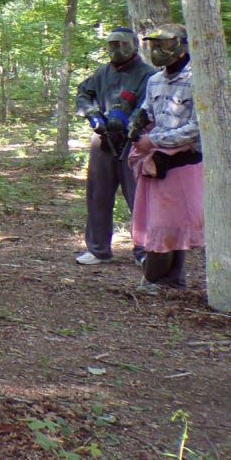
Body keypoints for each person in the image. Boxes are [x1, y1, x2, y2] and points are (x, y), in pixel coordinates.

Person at [129, 24, 204, 292]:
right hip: (156, 163)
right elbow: (147, 111)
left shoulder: (198, 79)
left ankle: (154, 280)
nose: (158, 50)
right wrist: (136, 124)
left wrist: (155, 141)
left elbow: (198, 127)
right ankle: (171, 281)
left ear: (182, 45)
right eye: (155, 45)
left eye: (165, 44)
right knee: (159, 222)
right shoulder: (155, 80)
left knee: (169, 224)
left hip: (184, 162)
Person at [73, 27, 153, 266]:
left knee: (139, 196)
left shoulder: (148, 74)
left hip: (135, 142)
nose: (117, 49)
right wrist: (92, 113)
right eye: (112, 45)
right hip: (104, 139)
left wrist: (133, 121)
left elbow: (150, 105)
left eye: (122, 44)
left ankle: (145, 251)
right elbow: (83, 93)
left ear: (134, 45)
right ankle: (98, 249)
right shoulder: (102, 73)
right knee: (98, 195)